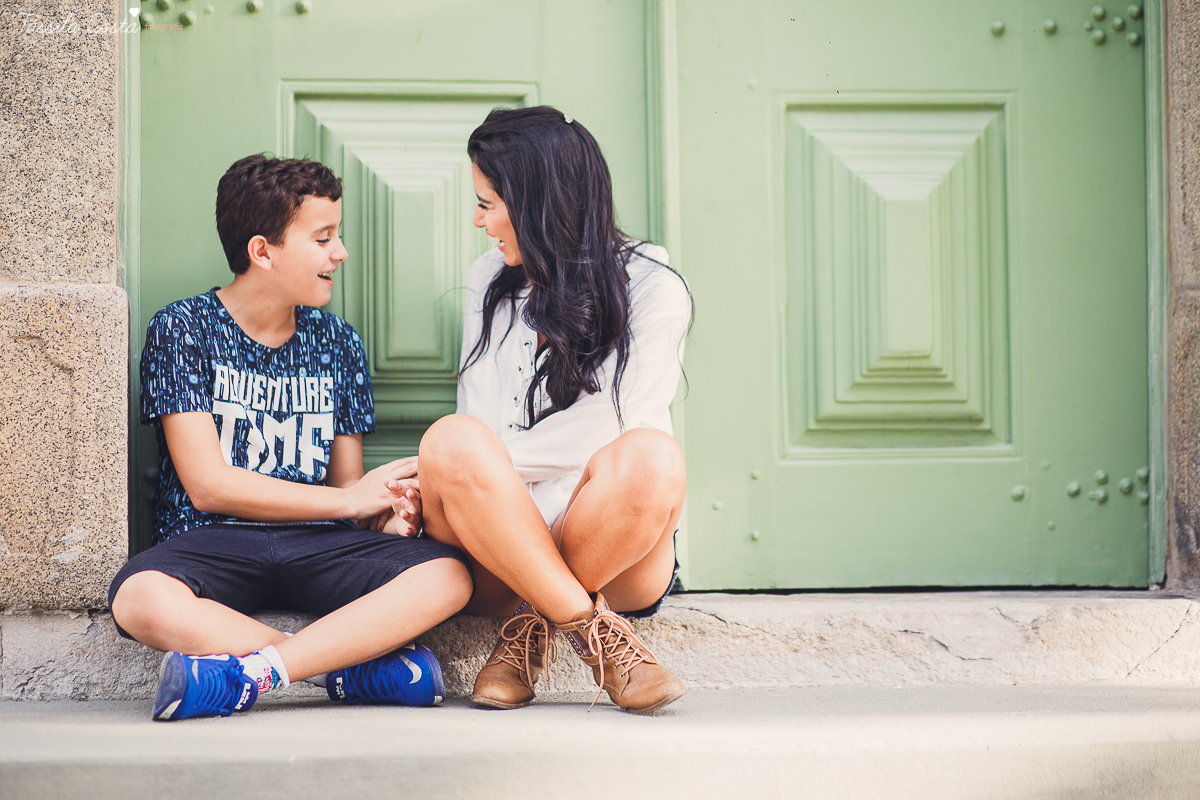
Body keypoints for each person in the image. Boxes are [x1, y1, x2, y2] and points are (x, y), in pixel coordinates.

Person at [109, 154, 472, 721]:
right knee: (139, 597)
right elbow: (206, 485)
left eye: (338, 236)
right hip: (213, 538)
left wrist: (386, 515)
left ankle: (259, 673)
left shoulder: (338, 342)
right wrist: (349, 500)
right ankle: (344, 670)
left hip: (317, 543)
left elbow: (348, 491)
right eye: (323, 237)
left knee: (449, 575)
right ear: (263, 251)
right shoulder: (182, 328)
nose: (341, 252)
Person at [404, 106, 693, 714]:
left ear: (535, 202)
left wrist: (429, 472)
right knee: (452, 440)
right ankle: (595, 635)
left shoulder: (652, 286)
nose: (478, 221)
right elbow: (477, 428)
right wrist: (445, 468)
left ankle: (529, 628)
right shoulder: (491, 278)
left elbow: (612, 426)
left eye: (487, 203)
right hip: (495, 552)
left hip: (614, 544)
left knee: (653, 458)